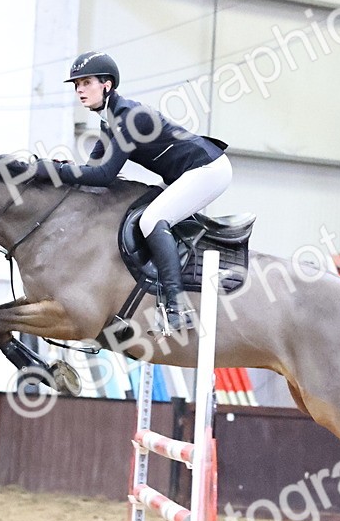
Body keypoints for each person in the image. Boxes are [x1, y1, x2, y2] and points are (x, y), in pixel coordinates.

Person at [50, 52, 232, 334]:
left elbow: (104, 175)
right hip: (184, 173)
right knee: (137, 214)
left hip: (208, 169)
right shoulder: (109, 120)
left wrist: (53, 171)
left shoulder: (128, 119)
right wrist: (60, 173)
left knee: (151, 220)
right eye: (76, 85)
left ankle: (177, 308)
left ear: (107, 84)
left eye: (86, 83)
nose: (79, 91)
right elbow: (92, 171)